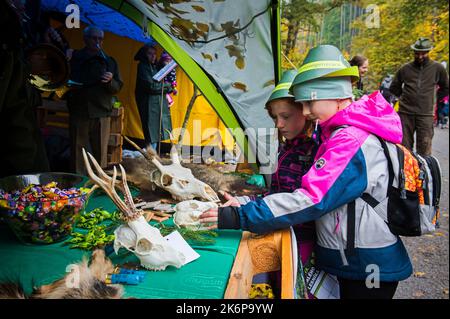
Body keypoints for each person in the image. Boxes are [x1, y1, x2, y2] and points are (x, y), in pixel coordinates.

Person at [200, 45, 413, 299]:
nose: (305, 112)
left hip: (367, 264)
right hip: (354, 259)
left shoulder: (349, 140)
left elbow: (312, 197)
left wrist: (239, 216)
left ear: (333, 94)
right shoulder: (338, 133)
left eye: (308, 102)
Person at [229, 70, 316, 298]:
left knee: (296, 290)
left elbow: (305, 200)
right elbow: (277, 193)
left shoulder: (317, 150)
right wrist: (244, 201)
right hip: (279, 233)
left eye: (285, 116)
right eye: (274, 117)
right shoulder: (286, 147)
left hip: (304, 244)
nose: (278, 124)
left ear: (306, 111)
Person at [0, 0, 50, 178]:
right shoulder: (7, 29)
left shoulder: (21, 30)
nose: (24, 7)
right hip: (14, 157)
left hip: (23, 142)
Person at [66, 26, 123, 174]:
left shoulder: (110, 61)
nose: (97, 41)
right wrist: (67, 58)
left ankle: (100, 183)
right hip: (80, 110)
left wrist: (110, 81)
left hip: (102, 112)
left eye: (100, 39)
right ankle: (78, 184)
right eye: (94, 38)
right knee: (78, 152)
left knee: (100, 154)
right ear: (85, 39)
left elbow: (117, 87)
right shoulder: (75, 57)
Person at [389, 37, 449, 156]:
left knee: (424, 147)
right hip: (406, 113)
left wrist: (434, 98)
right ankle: (405, 173)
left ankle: (423, 173)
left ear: (428, 52)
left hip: (426, 114)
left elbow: (446, 87)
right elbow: (394, 86)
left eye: (423, 53)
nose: (420, 56)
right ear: (414, 52)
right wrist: (404, 97)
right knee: (404, 147)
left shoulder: (438, 68)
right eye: (417, 53)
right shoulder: (405, 69)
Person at [134, 44, 173, 151]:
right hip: (147, 103)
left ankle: (153, 155)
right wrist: (169, 86)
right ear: (144, 55)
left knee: (156, 131)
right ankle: (151, 156)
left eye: (154, 54)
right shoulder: (143, 67)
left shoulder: (154, 67)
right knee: (151, 131)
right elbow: (151, 86)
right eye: (149, 54)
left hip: (156, 103)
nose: (153, 56)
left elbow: (159, 83)